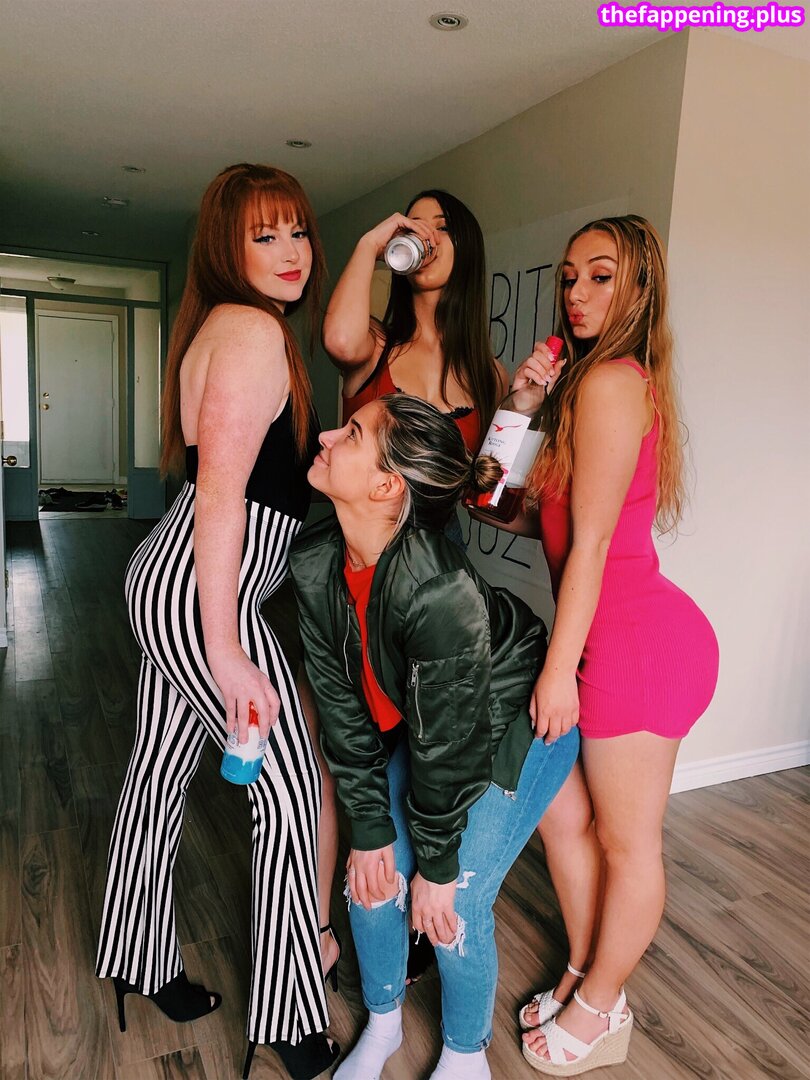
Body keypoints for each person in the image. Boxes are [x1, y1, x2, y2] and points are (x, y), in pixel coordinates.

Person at [95, 163, 339, 1080]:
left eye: (297, 230)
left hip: (178, 584)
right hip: (205, 596)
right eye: (262, 235)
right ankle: (287, 1014)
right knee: (292, 795)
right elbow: (223, 499)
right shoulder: (250, 330)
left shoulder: (230, 325)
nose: (289, 251)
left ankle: (134, 955)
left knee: (158, 771)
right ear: (225, 250)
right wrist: (227, 644)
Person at [485, 214, 719, 1074]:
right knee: (565, 818)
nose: (577, 293)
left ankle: (601, 1007)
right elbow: (493, 505)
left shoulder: (616, 383)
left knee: (628, 844)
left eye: (602, 275)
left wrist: (557, 673)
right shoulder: (579, 389)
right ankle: (587, 971)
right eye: (570, 277)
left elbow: (588, 548)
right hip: (601, 639)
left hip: (637, 649)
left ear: (640, 290)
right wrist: (518, 406)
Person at [288, 394, 580, 1080]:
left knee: (457, 895)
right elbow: (342, 709)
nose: (326, 436)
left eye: (350, 434)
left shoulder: (438, 588)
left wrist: (439, 867)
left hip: (513, 720)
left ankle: (464, 1053)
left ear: (387, 487)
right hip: (437, 733)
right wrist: (369, 831)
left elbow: (451, 748)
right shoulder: (315, 561)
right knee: (371, 875)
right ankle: (383, 1023)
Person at [323, 188, 507, 458]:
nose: (426, 237)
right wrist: (369, 245)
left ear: (467, 248)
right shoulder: (375, 346)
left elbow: (490, 472)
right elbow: (340, 341)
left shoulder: (491, 376)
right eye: (414, 229)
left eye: (442, 227)